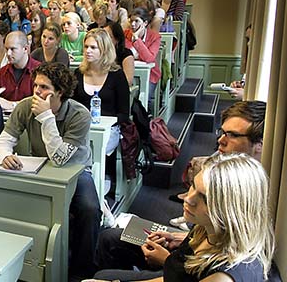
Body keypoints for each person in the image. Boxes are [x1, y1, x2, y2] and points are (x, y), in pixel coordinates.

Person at [93, 100, 268, 281]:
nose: (221, 140)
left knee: (103, 275)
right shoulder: (220, 170)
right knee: (110, 238)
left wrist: (167, 261)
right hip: (188, 253)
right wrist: (180, 238)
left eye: (232, 135)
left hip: (185, 268)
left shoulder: (250, 194)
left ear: (260, 144)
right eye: (223, 132)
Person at [0, 62, 101, 279]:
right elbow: (2, 141)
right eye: (36, 86)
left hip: (77, 171)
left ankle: (82, 270)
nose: (37, 92)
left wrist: (47, 118)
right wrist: (4, 156)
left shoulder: (80, 115)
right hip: (40, 168)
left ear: (59, 92)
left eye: (44, 88)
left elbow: (60, 159)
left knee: (89, 210)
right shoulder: (25, 106)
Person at [94, 153, 275, 282]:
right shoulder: (209, 225)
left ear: (231, 210)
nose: (188, 199)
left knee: (100, 277)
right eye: (192, 186)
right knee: (110, 239)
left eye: (204, 198)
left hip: (174, 274)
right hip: (175, 271)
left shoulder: (223, 277)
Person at [72, 29, 130, 178]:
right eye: (86, 47)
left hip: (109, 129)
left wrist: (106, 122)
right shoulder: (79, 73)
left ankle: (97, 187)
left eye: (93, 47)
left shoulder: (117, 75)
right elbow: (72, 105)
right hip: (82, 127)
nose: (88, 51)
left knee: (94, 154)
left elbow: (124, 113)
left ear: (104, 50)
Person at [0, 31, 41, 110]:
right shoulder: (3, 72)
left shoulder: (40, 71)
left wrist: (13, 104)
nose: (8, 53)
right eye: (6, 49)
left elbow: (41, 102)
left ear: (26, 49)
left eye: (13, 49)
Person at [124, 7, 162, 109]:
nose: (133, 24)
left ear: (145, 23)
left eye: (136, 21)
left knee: (142, 101)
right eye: (131, 21)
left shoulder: (155, 37)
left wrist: (136, 39)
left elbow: (149, 58)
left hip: (150, 75)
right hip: (128, 72)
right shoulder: (125, 34)